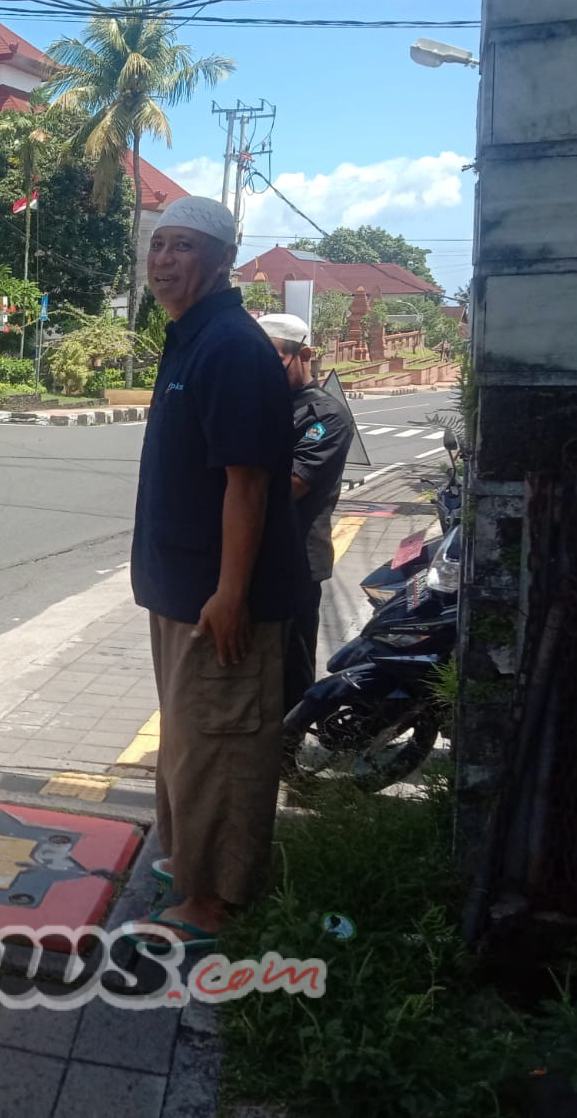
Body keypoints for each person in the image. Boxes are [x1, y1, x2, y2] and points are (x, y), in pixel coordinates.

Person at [131, 196, 308, 950]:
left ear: (221, 258)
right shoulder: (190, 337)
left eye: (184, 246)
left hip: (220, 600)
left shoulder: (231, 346)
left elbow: (249, 483)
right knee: (189, 744)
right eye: (157, 245)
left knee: (225, 744)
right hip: (180, 594)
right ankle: (191, 867)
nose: (164, 260)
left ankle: (216, 902)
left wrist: (231, 594)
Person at [257, 313, 355, 710]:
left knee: (291, 663)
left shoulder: (326, 416)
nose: (262, 371)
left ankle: (288, 754)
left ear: (305, 354)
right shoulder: (260, 405)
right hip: (254, 555)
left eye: (273, 359)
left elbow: (292, 486)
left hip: (296, 560)